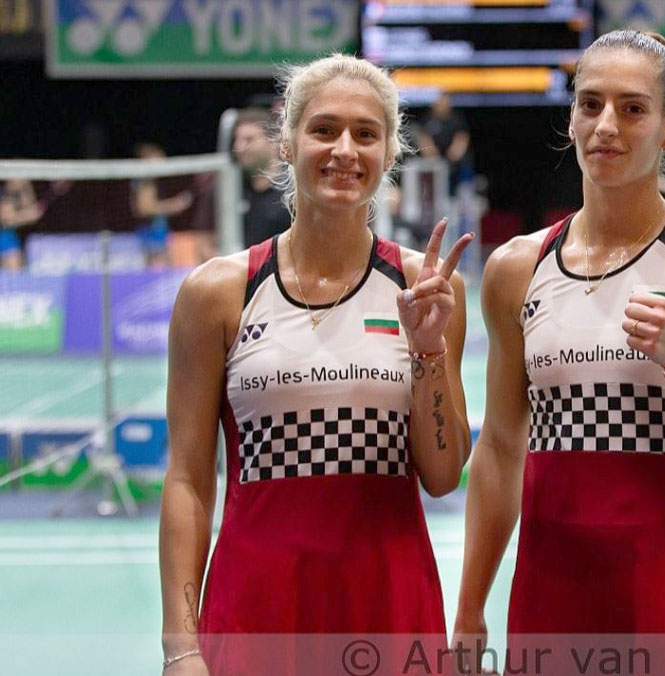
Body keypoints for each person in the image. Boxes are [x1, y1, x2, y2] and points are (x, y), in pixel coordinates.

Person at [453, 30, 665, 675]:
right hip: (553, 595)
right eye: (590, 104)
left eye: (632, 109)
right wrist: (469, 608)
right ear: (570, 117)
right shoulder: (516, 268)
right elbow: (502, 449)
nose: (606, 126)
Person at [159, 54, 474, 675]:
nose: (344, 151)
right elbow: (189, 480)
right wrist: (181, 646)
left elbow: (442, 477)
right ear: (287, 142)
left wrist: (428, 351)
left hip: (389, 607)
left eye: (366, 133)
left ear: (390, 152)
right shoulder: (217, 293)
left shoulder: (426, 287)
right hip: (256, 609)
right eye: (324, 130)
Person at [231, 108, 292, 247]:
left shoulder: (293, 191)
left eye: (249, 139)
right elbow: (206, 241)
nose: (239, 147)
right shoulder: (231, 190)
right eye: (237, 140)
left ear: (273, 142)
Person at [132, 143, 194, 267]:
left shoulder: (152, 182)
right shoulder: (146, 183)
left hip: (159, 233)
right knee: (157, 267)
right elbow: (144, 208)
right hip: (151, 235)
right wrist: (174, 205)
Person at [417, 92, 474, 196]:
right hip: (434, 164)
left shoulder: (457, 119)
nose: (442, 104)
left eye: (444, 101)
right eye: (439, 102)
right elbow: (424, 140)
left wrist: (452, 156)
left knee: (462, 168)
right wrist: (433, 156)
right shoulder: (427, 119)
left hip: (455, 163)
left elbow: (461, 140)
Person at [0, 179, 43, 270]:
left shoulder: (20, 184)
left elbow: (33, 212)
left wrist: (15, 218)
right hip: (6, 236)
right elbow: (6, 217)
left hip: (7, 239)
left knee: (13, 265)